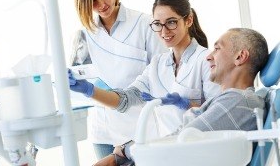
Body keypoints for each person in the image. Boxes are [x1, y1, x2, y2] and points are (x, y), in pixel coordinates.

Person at [68, 0, 220, 156]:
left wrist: (187, 105)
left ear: (189, 20)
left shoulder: (206, 60)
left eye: (171, 22)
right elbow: (125, 100)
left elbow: (220, 114)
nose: (163, 32)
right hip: (168, 153)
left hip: (199, 153)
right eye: (157, 24)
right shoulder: (157, 65)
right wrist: (89, 90)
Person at [92, 27, 269, 166]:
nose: (209, 56)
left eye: (217, 48)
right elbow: (183, 135)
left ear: (240, 56)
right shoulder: (230, 100)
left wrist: (123, 152)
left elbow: (180, 140)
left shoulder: (237, 101)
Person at [70, 0, 167, 159]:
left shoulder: (144, 24)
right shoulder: (87, 32)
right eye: (93, 2)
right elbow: (82, 73)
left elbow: (161, 77)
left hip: (139, 124)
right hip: (103, 127)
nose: (102, 5)